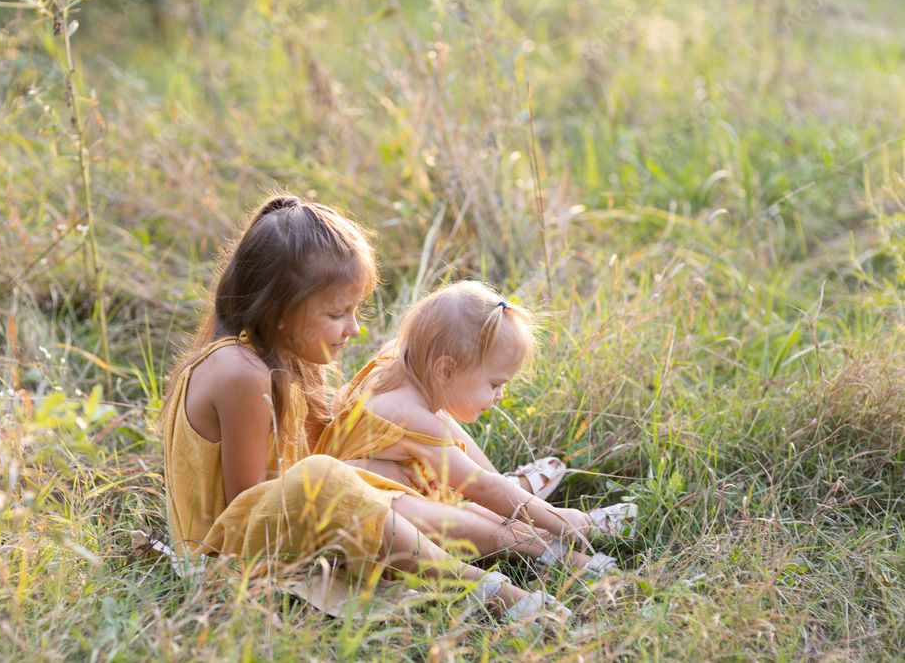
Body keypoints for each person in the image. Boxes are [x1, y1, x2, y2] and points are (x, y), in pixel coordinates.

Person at [161, 196, 573, 621]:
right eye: (338, 313)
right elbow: (248, 509)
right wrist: (354, 488)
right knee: (327, 478)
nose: (354, 328)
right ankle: (484, 582)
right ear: (278, 311)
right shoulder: (241, 371)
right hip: (221, 561)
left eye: (355, 309)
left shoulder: (288, 356)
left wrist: (377, 469)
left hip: (276, 525)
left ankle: (510, 518)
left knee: (383, 450)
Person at [315, 281, 624, 577]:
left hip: (372, 493)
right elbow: (480, 487)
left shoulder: (393, 367)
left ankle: (527, 516)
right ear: (446, 369)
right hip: (373, 530)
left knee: (446, 431)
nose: (499, 396)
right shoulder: (409, 415)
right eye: (495, 384)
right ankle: (564, 537)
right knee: (474, 511)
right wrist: (565, 518)